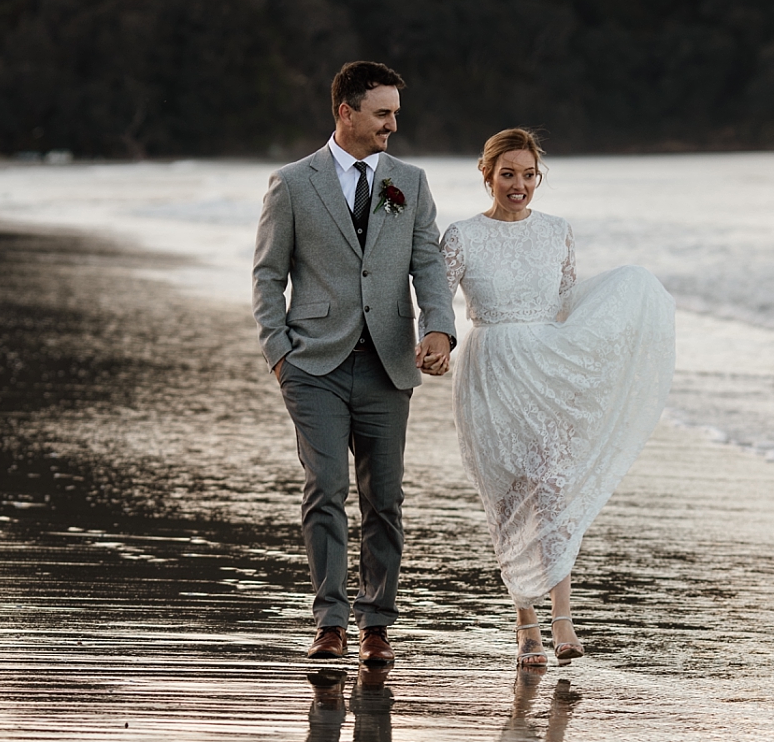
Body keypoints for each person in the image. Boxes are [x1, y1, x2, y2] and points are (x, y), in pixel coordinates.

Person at [441, 128, 675, 667]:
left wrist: (613, 331)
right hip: (491, 367)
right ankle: (527, 626)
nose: (519, 185)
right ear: (487, 175)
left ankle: (564, 620)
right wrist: (430, 343)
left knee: (555, 489)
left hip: (546, 369)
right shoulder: (461, 236)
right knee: (506, 495)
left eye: (528, 175)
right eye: (508, 174)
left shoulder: (557, 231)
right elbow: (436, 299)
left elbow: (567, 301)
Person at [253, 61, 456, 665]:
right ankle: (330, 621)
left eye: (396, 111)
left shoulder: (410, 183)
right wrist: (278, 354)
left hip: (388, 366)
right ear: (346, 111)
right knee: (326, 488)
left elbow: (429, 266)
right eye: (383, 112)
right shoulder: (292, 183)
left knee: (384, 498)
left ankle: (376, 626)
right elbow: (267, 275)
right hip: (312, 363)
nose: (394, 123)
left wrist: (439, 329)